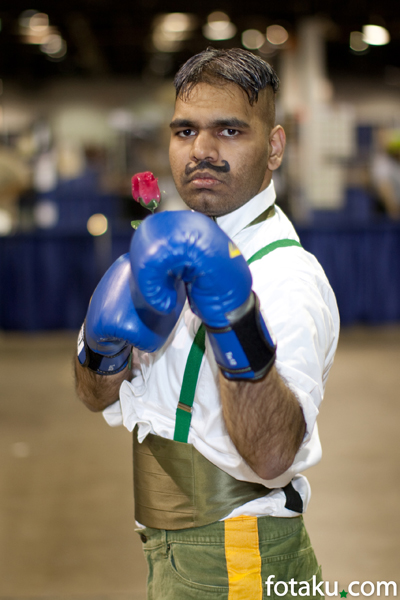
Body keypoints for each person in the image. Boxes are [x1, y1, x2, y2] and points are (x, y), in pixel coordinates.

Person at [75, 47, 339, 600]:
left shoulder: (286, 276)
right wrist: (102, 349)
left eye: (229, 131)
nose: (202, 149)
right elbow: (95, 397)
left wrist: (234, 315)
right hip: (169, 551)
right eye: (185, 130)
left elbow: (270, 456)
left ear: (273, 147)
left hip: (241, 556)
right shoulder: (164, 248)